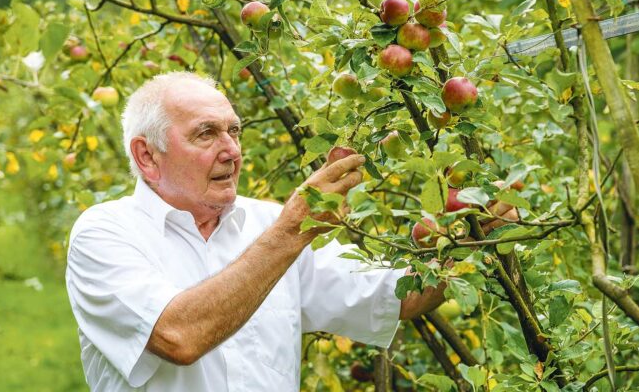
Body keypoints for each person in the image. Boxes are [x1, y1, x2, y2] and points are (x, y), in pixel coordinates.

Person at [66, 72, 516, 391]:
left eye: (234, 131)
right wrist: (294, 229)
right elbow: (178, 336)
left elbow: (398, 297)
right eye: (206, 134)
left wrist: (468, 240)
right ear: (147, 156)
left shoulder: (267, 223)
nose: (231, 151)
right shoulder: (105, 234)